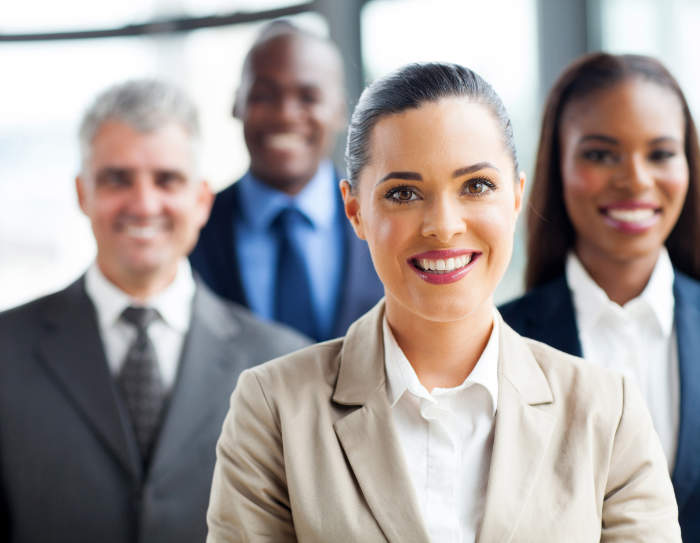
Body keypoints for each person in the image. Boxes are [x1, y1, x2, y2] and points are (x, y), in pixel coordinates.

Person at [206, 62, 680, 542]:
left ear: (516, 198)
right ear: (355, 210)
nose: (443, 225)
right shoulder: (274, 408)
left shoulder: (607, 410)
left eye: (476, 186)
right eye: (404, 193)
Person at [0, 79, 309, 543]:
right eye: (117, 179)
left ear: (202, 199)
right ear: (83, 193)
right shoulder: (6, 350)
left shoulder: (285, 362)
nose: (144, 205)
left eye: (167, 180)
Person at [499, 52, 700, 541]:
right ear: (556, 166)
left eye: (661, 154)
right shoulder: (498, 343)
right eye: (601, 154)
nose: (635, 179)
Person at [190, 21, 383, 341]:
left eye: (308, 97)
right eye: (264, 95)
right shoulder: (194, 229)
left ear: (339, 110)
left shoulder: (387, 218)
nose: (285, 115)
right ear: (236, 103)